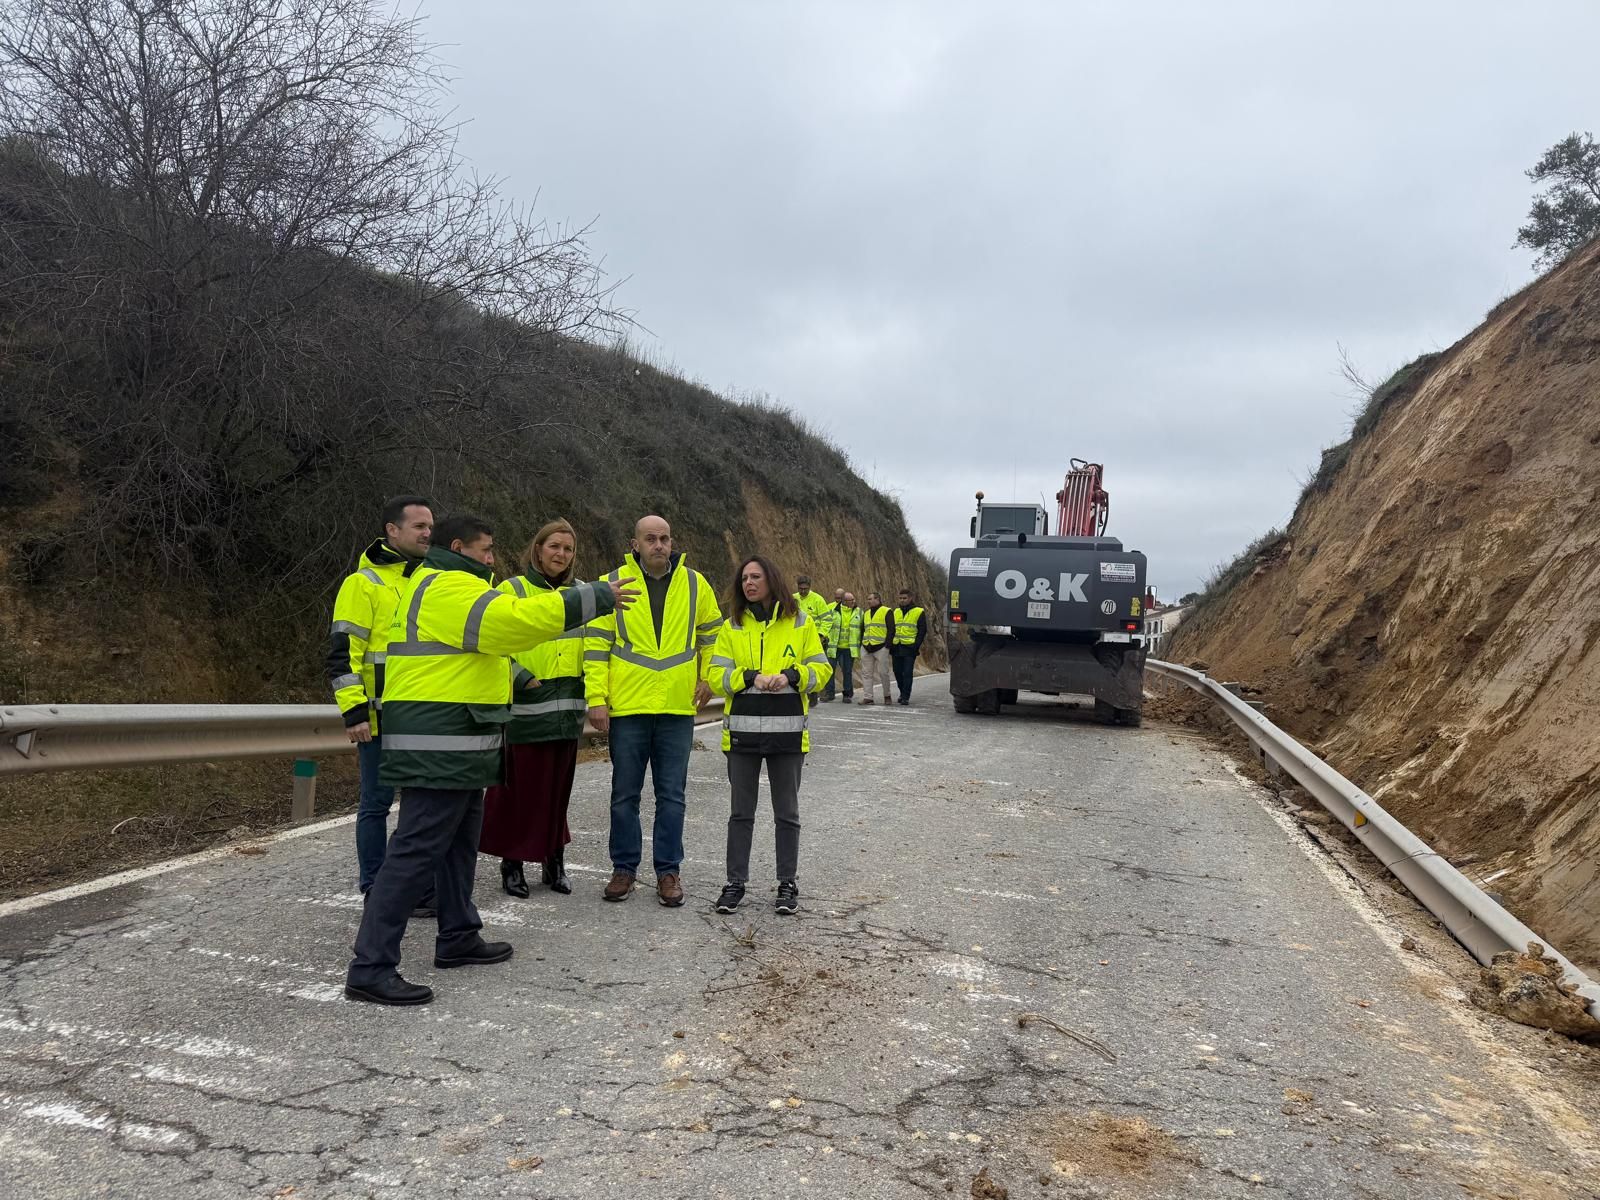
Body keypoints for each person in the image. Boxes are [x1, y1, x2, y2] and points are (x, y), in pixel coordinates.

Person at [345, 513, 637, 1006]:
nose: (492, 557)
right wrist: (594, 597)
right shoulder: (446, 587)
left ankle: (458, 935)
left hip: (461, 740)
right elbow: (511, 624)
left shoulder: (450, 585)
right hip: (439, 743)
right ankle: (370, 966)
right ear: (459, 548)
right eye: (486, 549)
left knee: (459, 845)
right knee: (415, 850)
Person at [585, 515, 723, 907]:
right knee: (624, 795)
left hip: (677, 707)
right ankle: (624, 869)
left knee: (672, 796)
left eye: (664, 538)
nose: (658, 545)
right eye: (650, 539)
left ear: (672, 542)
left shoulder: (695, 584)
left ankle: (668, 872)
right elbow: (596, 644)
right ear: (635, 544)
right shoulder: (613, 583)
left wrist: (709, 677)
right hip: (629, 707)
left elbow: (712, 634)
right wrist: (596, 698)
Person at [705, 556, 830, 915]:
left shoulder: (800, 622)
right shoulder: (732, 626)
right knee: (740, 814)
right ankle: (735, 883)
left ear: (772, 580)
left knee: (786, 814)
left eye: (755, 577)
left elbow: (821, 671)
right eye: (744, 578)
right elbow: (716, 677)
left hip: (787, 736)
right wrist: (750, 677)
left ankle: (787, 883)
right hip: (742, 736)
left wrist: (792, 675)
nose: (748, 583)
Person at [326, 495, 433, 899]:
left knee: (420, 808)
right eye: (419, 526)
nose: (427, 533)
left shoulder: (428, 580)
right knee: (376, 804)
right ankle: (375, 887)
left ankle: (412, 886)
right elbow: (343, 653)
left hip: (423, 715)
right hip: (380, 717)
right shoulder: (363, 584)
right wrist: (354, 711)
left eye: (430, 527)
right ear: (392, 530)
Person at [481, 519, 590, 898]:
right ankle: (512, 863)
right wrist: (520, 676)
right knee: (520, 792)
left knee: (557, 793)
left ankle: (553, 861)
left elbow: (594, 646)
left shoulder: (582, 593)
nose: (561, 554)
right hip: (527, 709)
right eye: (554, 546)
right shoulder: (511, 590)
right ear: (538, 549)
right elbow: (490, 643)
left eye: (568, 549)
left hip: (568, 711)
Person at [890, 588, 928, 706]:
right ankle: (902, 692)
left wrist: (916, 645)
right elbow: (891, 629)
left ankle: (905, 696)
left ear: (910, 598)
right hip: (896, 647)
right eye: (900, 598)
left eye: (904, 598)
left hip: (909, 647)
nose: (902, 600)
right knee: (897, 672)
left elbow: (922, 630)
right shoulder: (895, 612)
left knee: (907, 672)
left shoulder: (918, 611)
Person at [858, 591, 894, 705]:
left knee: (883, 673)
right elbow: (863, 629)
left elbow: (891, 629)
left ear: (877, 599)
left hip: (881, 647)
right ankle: (868, 697)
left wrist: (887, 646)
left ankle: (887, 696)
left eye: (870, 599)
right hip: (866, 647)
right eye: (868, 599)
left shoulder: (887, 611)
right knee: (866, 673)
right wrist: (862, 643)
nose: (868, 601)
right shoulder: (866, 613)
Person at [832, 591, 863, 702]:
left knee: (847, 671)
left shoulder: (859, 612)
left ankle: (847, 694)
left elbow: (863, 629)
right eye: (851, 600)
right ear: (844, 601)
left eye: (853, 599)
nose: (854, 601)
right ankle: (829, 693)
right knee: (829, 670)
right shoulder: (833, 611)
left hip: (849, 648)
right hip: (834, 647)